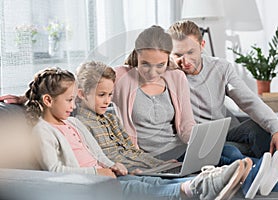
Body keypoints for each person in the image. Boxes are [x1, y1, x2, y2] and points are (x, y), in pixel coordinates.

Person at [24, 66, 250, 200]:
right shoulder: (43, 131)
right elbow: (54, 171)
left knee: (148, 181)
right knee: (139, 187)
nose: (73, 105)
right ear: (47, 100)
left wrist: (110, 165)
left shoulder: (72, 123)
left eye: (73, 99)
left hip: (106, 176)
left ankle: (210, 181)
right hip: (88, 184)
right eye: (69, 100)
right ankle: (201, 187)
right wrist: (98, 172)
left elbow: (94, 152)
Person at [75, 60, 278, 199]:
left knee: (228, 152)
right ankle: (260, 181)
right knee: (212, 173)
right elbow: (103, 159)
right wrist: (145, 166)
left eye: (109, 95)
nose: (107, 100)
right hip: (139, 169)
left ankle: (263, 180)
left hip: (154, 163)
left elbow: (131, 150)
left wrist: (163, 164)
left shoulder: (109, 117)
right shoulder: (80, 123)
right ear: (81, 93)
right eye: (101, 95)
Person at [167, 20, 278, 193]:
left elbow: (249, 101)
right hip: (196, 142)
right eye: (177, 55)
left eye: (190, 52)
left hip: (225, 132)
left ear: (202, 45)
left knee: (262, 129)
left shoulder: (220, 68)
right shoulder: (167, 76)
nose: (185, 61)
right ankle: (269, 183)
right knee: (232, 153)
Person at [113, 25, 195, 161]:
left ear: (168, 59)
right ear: (136, 56)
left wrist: (198, 143)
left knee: (230, 152)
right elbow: (82, 86)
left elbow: (187, 124)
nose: (152, 73)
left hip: (179, 151)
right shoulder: (121, 76)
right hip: (148, 159)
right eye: (145, 64)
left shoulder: (176, 77)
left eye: (160, 65)